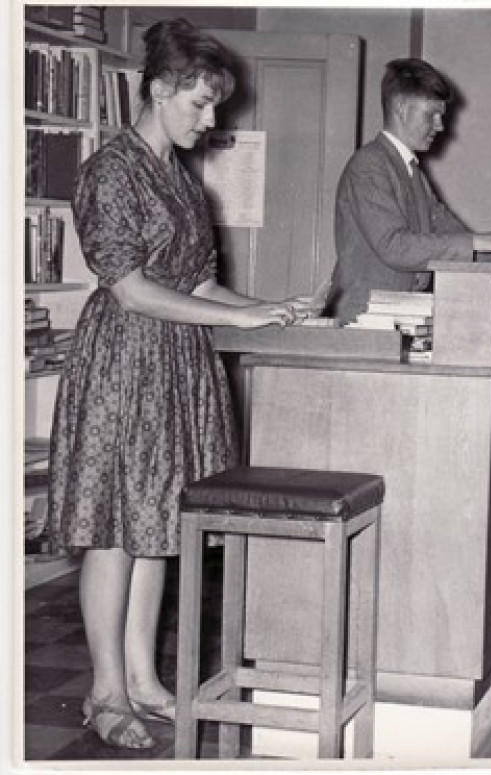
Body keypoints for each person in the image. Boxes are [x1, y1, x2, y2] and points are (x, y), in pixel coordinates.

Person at [46, 18, 312, 750]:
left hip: (177, 363)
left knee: (157, 522)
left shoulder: (180, 177)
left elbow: (196, 279)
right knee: (114, 530)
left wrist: (261, 310)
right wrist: (235, 318)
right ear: (159, 90)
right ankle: (105, 692)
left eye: (214, 104)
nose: (212, 118)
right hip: (126, 362)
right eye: (199, 102)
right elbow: (130, 288)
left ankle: (145, 680)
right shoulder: (111, 168)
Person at [329, 58, 491, 321]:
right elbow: (394, 246)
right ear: (401, 108)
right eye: (431, 115)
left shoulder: (412, 172)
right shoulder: (369, 165)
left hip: (393, 318)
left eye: (441, 116)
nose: (440, 126)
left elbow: (458, 244)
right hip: (363, 321)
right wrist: (477, 241)